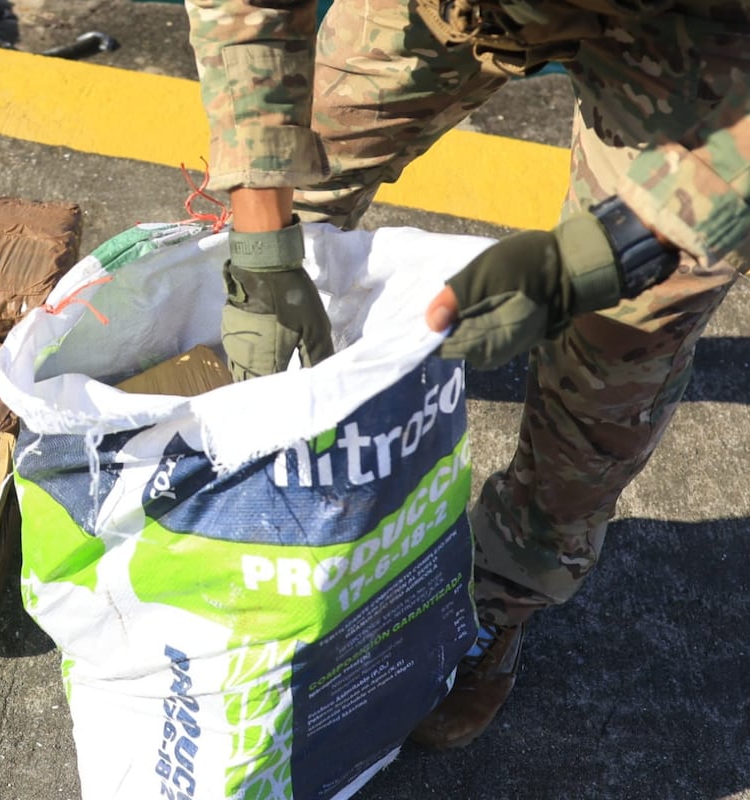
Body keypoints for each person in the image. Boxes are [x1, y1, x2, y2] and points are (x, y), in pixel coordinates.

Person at [184, 0, 750, 749]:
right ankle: (232, 505)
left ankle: (498, 597)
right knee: (286, 194)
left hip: (699, 37)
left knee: (617, 346)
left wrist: (602, 256)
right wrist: (262, 242)